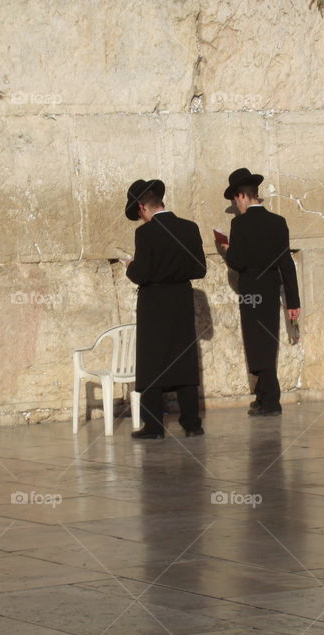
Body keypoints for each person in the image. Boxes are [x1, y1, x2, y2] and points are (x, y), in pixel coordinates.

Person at [124, 179, 207, 439]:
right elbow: (199, 269)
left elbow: (141, 274)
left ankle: (154, 427)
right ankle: (192, 424)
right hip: (181, 299)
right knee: (184, 359)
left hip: (154, 303)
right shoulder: (189, 228)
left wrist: (129, 266)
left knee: (152, 362)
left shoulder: (145, 234)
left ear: (141, 208)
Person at [222, 168, 301, 416]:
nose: (236, 205)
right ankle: (263, 396)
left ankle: (271, 401)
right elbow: (287, 265)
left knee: (257, 344)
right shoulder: (278, 223)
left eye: (235, 200)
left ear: (242, 196)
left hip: (250, 291)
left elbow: (238, 262)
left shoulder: (239, 224)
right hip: (270, 290)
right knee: (266, 342)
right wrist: (293, 301)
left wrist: (226, 248)